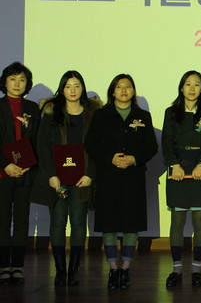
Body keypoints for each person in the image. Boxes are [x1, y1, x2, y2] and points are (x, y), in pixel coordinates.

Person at [84, 74, 157, 290]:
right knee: (108, 224)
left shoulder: (142, 116)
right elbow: (91, 144)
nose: (124, 90)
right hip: (108, 176)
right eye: (119, 86)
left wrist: (135, 159)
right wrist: (110, 158)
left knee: (131, 224)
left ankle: (125, 268)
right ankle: (113, 268)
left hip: (133, 177)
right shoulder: (101, 115)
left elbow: (151, 147)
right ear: (112, 91)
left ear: (133, 91)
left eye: (128, 86)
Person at [32, 71, 102, 286]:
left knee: (79, 224)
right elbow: (42, 147)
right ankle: (60, 270)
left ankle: (74, 270)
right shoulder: (52, 114)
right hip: (57, 180)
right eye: (68, 86)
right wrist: (51, 176)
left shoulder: (93, 115)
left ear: (83, 88)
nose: (73, 90)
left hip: (82, 179)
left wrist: (90, 174)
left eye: (77, 85)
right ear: (62, 89)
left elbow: (99, 147)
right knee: (58, 223)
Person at [162, 70, 201, 288]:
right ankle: (176, 270)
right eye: (188, 84)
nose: (192, 88)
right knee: (177, 221)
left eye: (196, 84)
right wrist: (174, 165)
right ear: (181, 88)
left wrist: (200, 164)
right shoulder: (171, 112)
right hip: (178, 170)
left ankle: (196, 270)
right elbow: (166, 141)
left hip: (200, 172)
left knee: (200, 221)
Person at [0, 62, 40, 285]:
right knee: (3, 221)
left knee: (22, 221)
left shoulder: (33, 109)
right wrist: (5, 165)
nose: (17, 83)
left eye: (22, 79)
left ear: (27, 84)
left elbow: (37, 140)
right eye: (13, 79)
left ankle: (18, 266)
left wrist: (28, 164)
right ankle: (3, 266)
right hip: (2, 172)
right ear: (5, 82)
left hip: (25, 171)